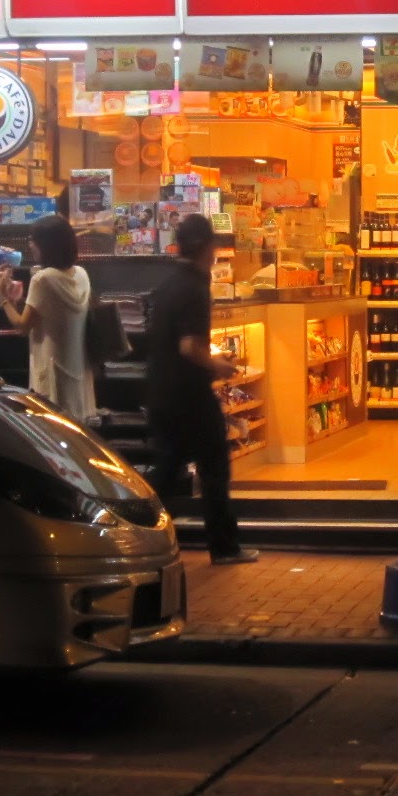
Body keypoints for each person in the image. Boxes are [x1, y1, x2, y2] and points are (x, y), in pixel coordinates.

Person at [145, 214, 258, 565]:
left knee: (167, 470)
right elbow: (189, 347)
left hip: (161, 390)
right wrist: (218, 365)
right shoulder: (194, 287)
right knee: (214, 468)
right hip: (190, 395)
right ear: (208, 247)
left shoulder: (167, 284)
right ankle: (224, 546)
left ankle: (140, 533)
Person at [0, 213, 95, 422]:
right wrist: (15, 301)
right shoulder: (81, 274)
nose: (30, 245)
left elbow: (22, 327)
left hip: (52, 373)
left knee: (52, 429)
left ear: (46, 245)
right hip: (77, 370)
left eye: (33, 240)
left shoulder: (42, 279)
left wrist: (2, 297)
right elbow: (48, 315)